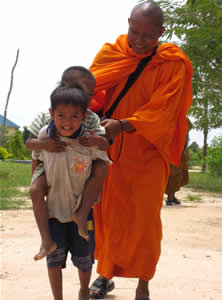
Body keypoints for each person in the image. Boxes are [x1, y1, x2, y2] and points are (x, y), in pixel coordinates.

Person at [88, 2, 193, 299]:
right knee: (107, 214)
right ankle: (105, 274)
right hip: (108, 155)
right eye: (135, 31)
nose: (139, 40)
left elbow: (166, 109)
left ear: (161, 32)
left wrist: (124, 124)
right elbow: (90, 90)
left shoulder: (172, 63)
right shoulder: (112, 52)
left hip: (148, 153)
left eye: (148, 35)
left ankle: (143, 281)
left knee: (145, 221)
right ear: (128, 24)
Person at [33, 86, 110, 300]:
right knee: (53, 260)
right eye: (61, 115)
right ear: (51, 114)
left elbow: (103, 163)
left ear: (84, 116)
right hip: (54, 212)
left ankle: (84, 291)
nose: (67, 121)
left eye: (75, 116)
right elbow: (36, 158)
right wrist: (37, 186)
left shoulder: (88, 139)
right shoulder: (44, 136)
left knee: (84, 260)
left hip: (81, 214)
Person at [26, 66, 109, 261]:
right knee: (35, 191)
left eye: (90, 94)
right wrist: (45, 144)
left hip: (79, 167)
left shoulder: (88, 117)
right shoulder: (46, 116)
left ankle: (82, 212)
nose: (87, 99)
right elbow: (30, 143)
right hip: (48, 164)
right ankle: (46, 240)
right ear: (65, 89)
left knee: (102, 165)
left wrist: (95, 140)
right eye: (82, 92)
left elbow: (104, 144)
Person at [165, 118, 193, 205]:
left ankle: (172, 196)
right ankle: (169, 197)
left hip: (181, 151)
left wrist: (184, 149)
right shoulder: (169, 117)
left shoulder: (185, 119)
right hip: (171, 150)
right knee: (171, 175)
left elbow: (186, 136)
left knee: (178, 175)